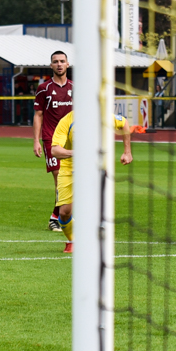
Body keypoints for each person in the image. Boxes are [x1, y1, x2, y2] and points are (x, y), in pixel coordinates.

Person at [49, 104, 133, 254]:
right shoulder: (67, 121)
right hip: (69, 169)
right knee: (64, 212)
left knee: (98, 205)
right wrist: (77, 152)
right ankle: (73, 240)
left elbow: (124, 123)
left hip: (95, 168)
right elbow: (55, 150)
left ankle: (101, 238)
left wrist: (127, 151)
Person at [33, 50, 74, 232]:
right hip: (51, 139)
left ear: (67, 64)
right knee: (59, 179)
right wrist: (36, 141)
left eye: (62, 61)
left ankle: (56, 216)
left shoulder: (75, 88)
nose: (59, 64)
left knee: (72, 180)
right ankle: (56, 218)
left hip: (70, 140)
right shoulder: (44, 88)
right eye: (55, 61)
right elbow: (38, 115)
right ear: (51, 65)